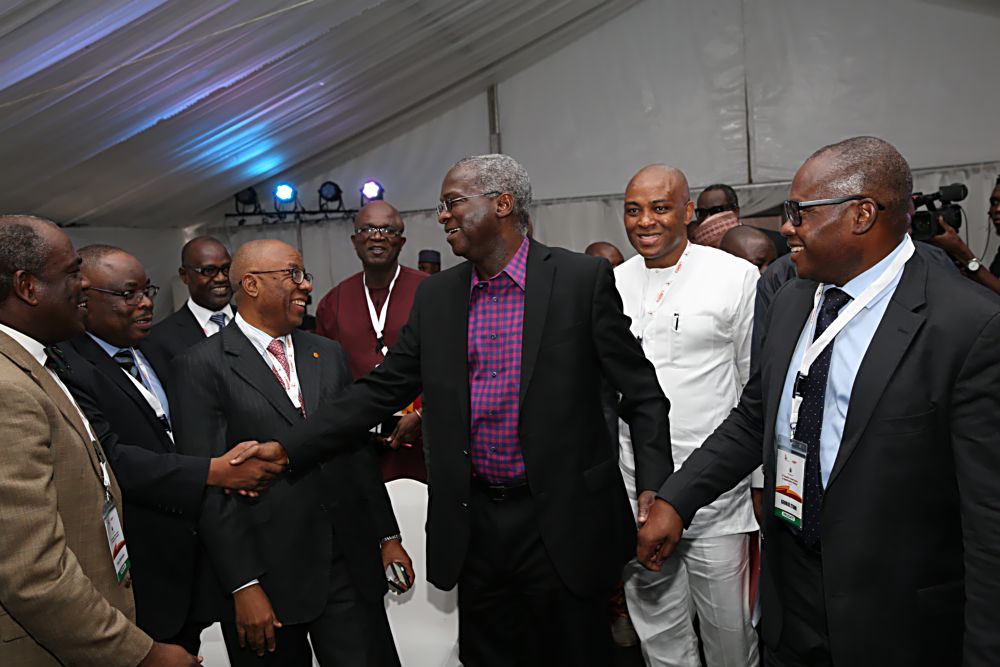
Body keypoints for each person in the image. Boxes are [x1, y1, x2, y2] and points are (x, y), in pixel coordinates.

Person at [230, 154, 672, 666]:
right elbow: (380, 389)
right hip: (475, 522)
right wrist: (288, 447)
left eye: (453, 203)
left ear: (502, 204)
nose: (442, 215)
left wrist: (654, 489)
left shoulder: (580, 280)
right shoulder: (439, 296)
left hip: (564, 519)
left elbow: (642, 393)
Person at [637, 136, 1000, 666]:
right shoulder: (792, 301)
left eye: (798, 212)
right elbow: (755, 418)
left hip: (898, 616)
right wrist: (676, 499)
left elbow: (989, 523)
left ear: (861, 214)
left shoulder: (966, 326)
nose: (785, 227)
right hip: (795, 595)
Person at [171, 239, 407, 666]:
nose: (306, 287)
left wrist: (387, 536)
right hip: (267, 573)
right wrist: (243, 585)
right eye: (294, 275)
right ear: (253, 285)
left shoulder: (328, 354)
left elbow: (354, 450)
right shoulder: (201, 365)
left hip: (347, 562)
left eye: (306, 275)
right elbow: (210, 487)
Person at [55, 245, 281, 653]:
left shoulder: (153, 352)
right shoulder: (70, 369)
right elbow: (110, 460)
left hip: (194, 562)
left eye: (148, 291)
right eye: (128, 294)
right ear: (85, 300)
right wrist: (214, 471)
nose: (145, 304)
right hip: (142, 573)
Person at [0, 216, 198, 666]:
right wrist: (140, 655)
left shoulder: (38, 363)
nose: (83, 286)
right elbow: (33, 573)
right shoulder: (7, 390)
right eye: (72, 273)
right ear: (28, 287)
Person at [615, 165, 760, 666]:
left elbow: (753, 385)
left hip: (717, 498)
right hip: (637, 495)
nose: (645, 221)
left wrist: (760, 483)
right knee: (660, 640)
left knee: (732, 639)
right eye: (634, 210)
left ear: (688, 211)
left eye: (659, 208)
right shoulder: (610, 284)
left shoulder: (735, 277)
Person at [314, 201, 428, 481]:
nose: (377, 236)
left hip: (426, 447)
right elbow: (323, 381)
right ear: (355, 240)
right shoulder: (333, 302)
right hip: (358, 449)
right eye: (367, 229)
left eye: (387, 229)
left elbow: (457, 365)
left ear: (401, 241)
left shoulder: (431, 292)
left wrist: (426, 416)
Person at [144, 236, 234, 363]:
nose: (221, 278)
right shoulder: (159, 338)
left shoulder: (255, 321)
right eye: (208, 271)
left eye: (226, 269)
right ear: (184, 275)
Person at [691, 184, 788, 257]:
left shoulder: (778, 242)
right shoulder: (698, 255)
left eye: (717, 211)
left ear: (736, 211)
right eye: (702, 213)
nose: (709, 218)